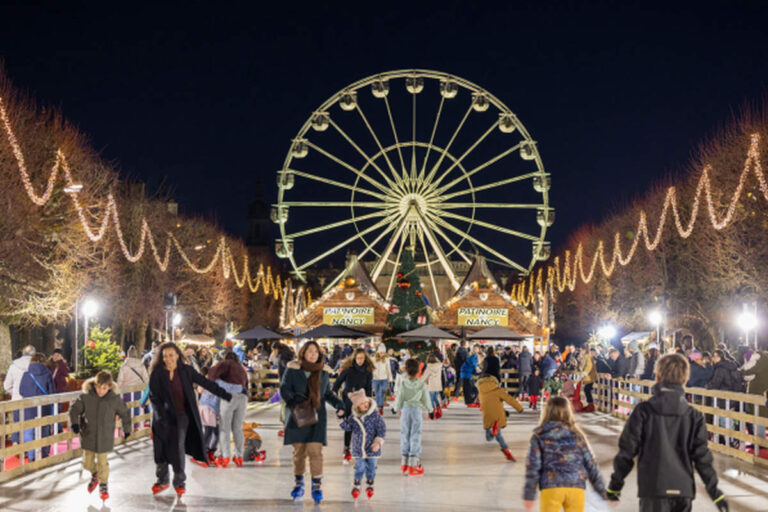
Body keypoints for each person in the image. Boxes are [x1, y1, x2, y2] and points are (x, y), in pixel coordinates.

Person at [607, 353, 729, 512]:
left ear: (657, 377)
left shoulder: (644, 411)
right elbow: (702, 457)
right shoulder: (694, 416)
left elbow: (627, 450)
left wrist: (615, 486)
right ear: (685, 380)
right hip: (683, 489)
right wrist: (715, 492)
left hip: (653, 489)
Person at [148, 342, 232, 497]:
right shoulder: (157, 373)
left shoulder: (186, 371)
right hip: (162, 418)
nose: (168, 359)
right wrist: (161, 414)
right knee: (161, 448)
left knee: (178, 446)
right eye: (165, 356)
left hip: (181, 416)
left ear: (178, 355)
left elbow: (205, 382)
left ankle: (179, 481)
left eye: (171, 355)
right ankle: (162, 480)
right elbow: (153, 397)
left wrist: (224, 393)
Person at [281, 341, 345, 504]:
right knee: (299, 452)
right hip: (298, 415)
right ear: (303, 353)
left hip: (317, 416)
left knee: (315, 451)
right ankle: (299, 483)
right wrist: (293, 402)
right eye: (310, 351)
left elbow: (327, 394)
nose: (313, 354)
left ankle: (316, 485)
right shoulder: (293, 369)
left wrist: (338, 404)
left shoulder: (323, 372)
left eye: (316, 352)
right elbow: (284, 388)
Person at [523, 396, 607, 512]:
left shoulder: (539, 435)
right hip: (575, 486)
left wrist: (529, 494)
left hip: (551, 487)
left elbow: (533, 465)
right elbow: (590, 463)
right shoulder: (577, 435)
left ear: (546, 412)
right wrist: (601, 489)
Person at [69, 370, 131, 502]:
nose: (100, 390)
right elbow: (74, 410)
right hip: (88, 435)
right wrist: (75, 424)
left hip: (105, 436)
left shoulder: (114, 399)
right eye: (97, 386)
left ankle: (103, 484)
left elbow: (125, 413)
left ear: (109, 386)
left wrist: (127, 429)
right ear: (94, 384)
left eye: (103, 388)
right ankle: (95, 474)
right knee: (86, 463)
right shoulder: (86, 397)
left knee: (103, 462)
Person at [340, 389, 386, 501]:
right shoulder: (354, 418)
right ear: (357, 407)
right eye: (361, 403)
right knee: (359, 467)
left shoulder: (375, 416)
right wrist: (342, 417)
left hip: (372, 448)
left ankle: (370, 482)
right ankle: (357, 483)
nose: (365, 404)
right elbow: (347, 427)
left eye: (366, 402)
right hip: (358, 448)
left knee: (372, 467)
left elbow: (381, 429)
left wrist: (378, 442)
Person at [208, 350, 250, 467]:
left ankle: (225, 457)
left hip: (228, 397)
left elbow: (212, 373)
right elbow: (246, 385)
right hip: (242, 398)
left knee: (224, 429)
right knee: (237, 428)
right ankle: (239, 456)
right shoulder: (241, 368)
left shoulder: (226, 363)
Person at [333, 348, 374, 462]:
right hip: (348, 399)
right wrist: (335, 391)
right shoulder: (348, 370)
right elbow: (338, 382)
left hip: (361, 400)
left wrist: (369, 401)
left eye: (362, 358)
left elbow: (368, 388)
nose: (360, 360)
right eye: (358, 358)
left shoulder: (368, 371)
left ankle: (360, 448)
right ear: (354, 358)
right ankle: (347, 448)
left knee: (361, 424)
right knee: (350, 423)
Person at [393, 358, 432, 476]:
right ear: (418, 371)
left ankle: (404, 462)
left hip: (405, 411)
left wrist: (396, 408)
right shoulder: (421, 384)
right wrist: (430, 410)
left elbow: (399, 398)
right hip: (416, 411)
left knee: (405, 433)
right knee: (415, 434)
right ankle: (413, 463)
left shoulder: (404, 384)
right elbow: (426, 399)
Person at [477, 372, 523, 461]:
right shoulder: (498, 390)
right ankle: (507, 451)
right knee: (498, 436)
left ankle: (506, 451)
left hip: (487, 416)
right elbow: (510, 400)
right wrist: (519, 408)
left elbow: (486, 404)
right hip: (497, 417)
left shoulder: (480, 392)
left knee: (489, 438)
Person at [19, 353, 55, 461]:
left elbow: (21, 391)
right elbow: (52, 392)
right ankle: (44, 454)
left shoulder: (26, 374)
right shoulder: (48, 373)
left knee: (29, 431)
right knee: (44, 429)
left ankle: (31, 456)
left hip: (29, 407)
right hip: (44, 407)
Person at [117, 345, 149, 428]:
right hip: (139, 390)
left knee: (127, 408)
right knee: (136, 408)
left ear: (128, 355)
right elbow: (146, 379)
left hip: (126, 391)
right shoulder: (141, 365)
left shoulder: (124, 366)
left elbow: (120, 381)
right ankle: (135, 426)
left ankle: (127, 427)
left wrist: (118, 389)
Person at [371, 344, 393, 414]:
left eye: (383, 353)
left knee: (382, 390)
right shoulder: (373, 359)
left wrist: (390, 378)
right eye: (381, 352)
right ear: (378, 352)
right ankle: (380, 406)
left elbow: (388, 369)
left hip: (384, 378)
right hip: (375, 379)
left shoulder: (386, 359)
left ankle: (380, 404)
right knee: (377, 393)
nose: (382, 354)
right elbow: (370, 368)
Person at [421, 354, 443, 419]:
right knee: (435, 398)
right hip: (438, 385)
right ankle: (439, 410)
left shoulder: (429, 367)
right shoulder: (439, 366)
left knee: (431, 399)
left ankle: (431, 413)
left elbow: (424, 377)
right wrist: (437, 359)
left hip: (432, 385)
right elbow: (439, 362)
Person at [580, 348, 597, 412]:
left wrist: (584, 373)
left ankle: (591, 405)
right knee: (587, 389)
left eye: (582, 350)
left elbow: (589, 366)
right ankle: (590, 404)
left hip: (590, 377)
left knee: (587, 389)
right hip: (588, 376)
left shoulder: (588, 357)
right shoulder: (585, 357)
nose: (581, 351)